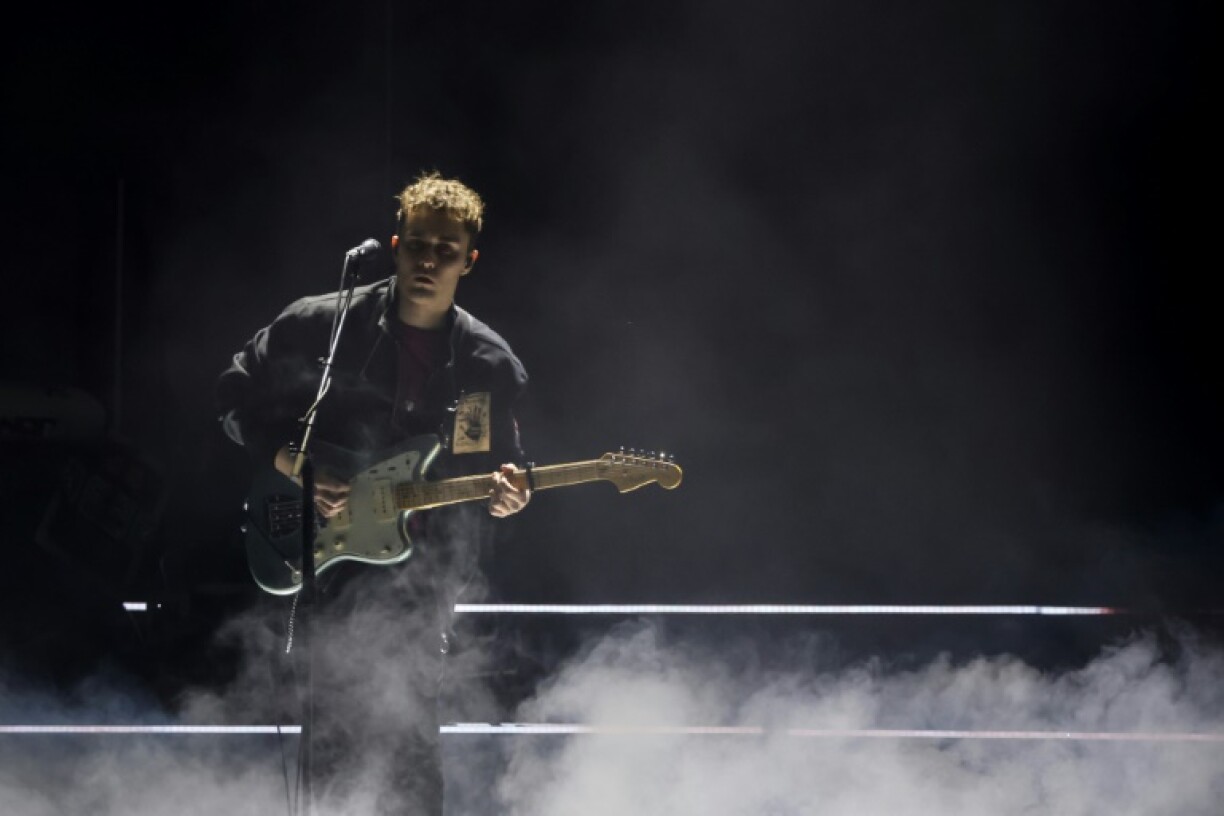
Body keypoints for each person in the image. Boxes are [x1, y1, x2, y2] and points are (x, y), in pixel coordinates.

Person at [217, 171, 530, 814]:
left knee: (411, 741)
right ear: (395, 246)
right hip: (327, 562)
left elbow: (504, 465)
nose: (429, 261)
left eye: (446, 250)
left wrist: (514, 489)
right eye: (418, 245)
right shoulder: (321, 326)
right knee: (329, 735)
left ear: (469, 260)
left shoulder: (486, 364)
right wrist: (289, 459)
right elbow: (232, 394)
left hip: (424, 577)